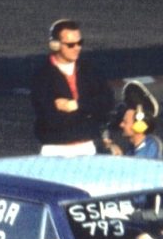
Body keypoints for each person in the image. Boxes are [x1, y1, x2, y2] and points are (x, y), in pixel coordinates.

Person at [30, 18, 113, 155]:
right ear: (55, 45)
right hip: (55, 148)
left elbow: (107, 102)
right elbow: (50, 117)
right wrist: (89, 112)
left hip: (87, 146)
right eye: (71, 44)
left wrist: (76, 105)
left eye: (80, 43)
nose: (77, 48)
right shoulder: (42, 76)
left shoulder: (90, 70)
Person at [102, 80, 163, 159]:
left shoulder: (149, 149)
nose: (121, 124)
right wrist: (109, 144)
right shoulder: (138, 146)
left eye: (125, 122)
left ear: (138, 127)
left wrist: (118, 159)